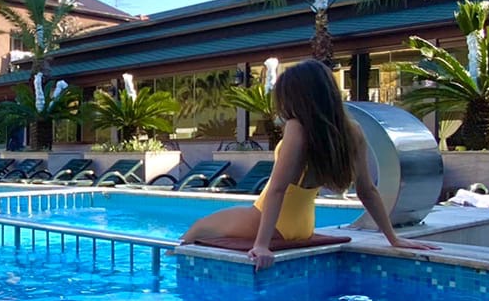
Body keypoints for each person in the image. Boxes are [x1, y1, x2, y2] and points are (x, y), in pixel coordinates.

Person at [180, 58, 440, 271]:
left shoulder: (297, 127)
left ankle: (182, 275)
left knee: (197, 228)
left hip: (271, 222)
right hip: (303, 226)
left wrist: (261, 245)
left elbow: (278, 189)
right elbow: (367, 190)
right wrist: (392, 238)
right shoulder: (352, 131)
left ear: (300, 97)